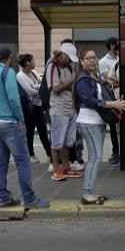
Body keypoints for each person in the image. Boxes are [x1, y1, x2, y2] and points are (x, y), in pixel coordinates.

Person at [0, 47, 49, 210]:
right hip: (10, 123)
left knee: (0, 162)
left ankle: (3, 198)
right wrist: (20, 119)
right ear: (9, 58)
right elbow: (13, 98)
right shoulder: (9, 73)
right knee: (23, 162)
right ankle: (30, 199)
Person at [75, 48, 125, 205]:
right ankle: (87, 193)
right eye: (88, 58)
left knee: (95, 157)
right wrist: (113, 104)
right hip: (88, 121)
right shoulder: (83, 79)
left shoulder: (94, 77)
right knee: (95, 158)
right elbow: (89, 100)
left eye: (94, 57)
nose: (92, 60)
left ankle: (90, 191)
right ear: (81, 61)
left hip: (96, 122)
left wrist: (114, 101)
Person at [47, 44, 81, 182]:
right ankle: (56, 170)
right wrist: (71, 81)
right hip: (59, 109)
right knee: (57, 141)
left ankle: (66, 168)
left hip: (71, 108)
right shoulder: (53, 67)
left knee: (68, 141)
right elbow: (55, 89)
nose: (70, 61)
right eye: (68, 58)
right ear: (62, 55)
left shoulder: (69, 67)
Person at [17, 54, 52, 162]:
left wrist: (37, 87)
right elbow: (29, 91)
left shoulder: (33, 72)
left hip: (38, 105)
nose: (35, 62)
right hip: (28, 108)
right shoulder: (20, 76)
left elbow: (42, 84)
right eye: (33, 61)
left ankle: (49, 154)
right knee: (29, 132)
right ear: (27, 63)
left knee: (43, 131)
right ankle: (31, 154)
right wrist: (39, 88)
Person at [98, 38, 123, 166]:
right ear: (112, 46)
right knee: (113, 125)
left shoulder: (122, 58)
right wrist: (121, 79)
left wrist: (117, 80)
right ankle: (116, 152)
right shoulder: (103, 61)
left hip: (122, 94)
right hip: (111, 96)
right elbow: (108, 79)